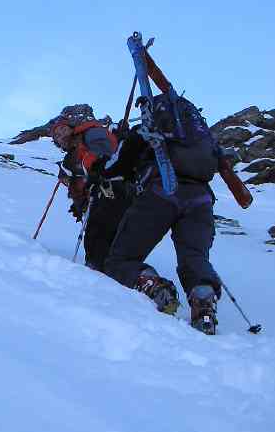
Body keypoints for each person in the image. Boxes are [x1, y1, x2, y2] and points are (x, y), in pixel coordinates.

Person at [101, 124, 222, 335]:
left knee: (121, 260)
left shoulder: (148, 126)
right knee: (194, 257)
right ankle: (204, 307)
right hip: (201, 199)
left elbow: (116, 166)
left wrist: (99, 172)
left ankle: (155, 288)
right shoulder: (198, 135)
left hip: (160, 192)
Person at [50, 117, 135, 273]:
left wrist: (96, 167)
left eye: (62, 129)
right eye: (56, 135)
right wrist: (79, 204)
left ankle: (98, 274)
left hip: (112, 187)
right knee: (104, 240)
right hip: (102, 195)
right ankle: (132, 278)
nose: (60, 134)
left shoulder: (90, 134)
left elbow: (106, 153)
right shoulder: (71, 157)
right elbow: (79, 183)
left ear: (71, 128)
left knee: (96, 237)